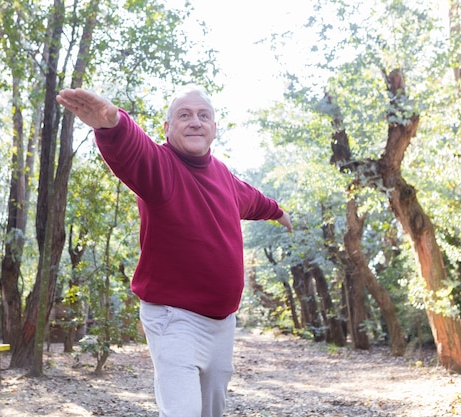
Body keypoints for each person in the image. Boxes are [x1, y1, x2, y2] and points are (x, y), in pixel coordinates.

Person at [56, 85, 292, 417]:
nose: (195, 122)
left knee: (212, 411)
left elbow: (252, 199)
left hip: (222, 323)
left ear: (214, 128)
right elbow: (134, 149)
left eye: (203, 116)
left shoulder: (223, 175)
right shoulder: (161, 167)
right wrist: (113, 124)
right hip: (173, 317)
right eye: (184, 115)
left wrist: (277, 211)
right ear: (167, 129)